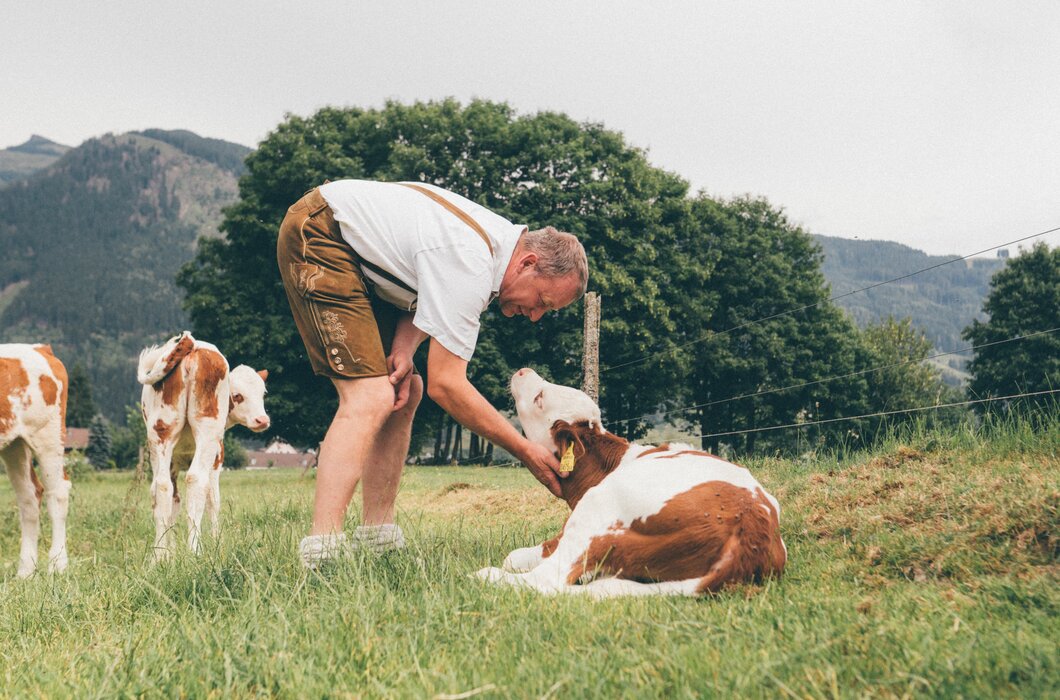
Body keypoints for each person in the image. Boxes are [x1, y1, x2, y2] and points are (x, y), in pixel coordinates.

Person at [276, 179, 588, 566]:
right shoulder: (472, 261)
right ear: (528, 264)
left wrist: (404, 348)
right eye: (541, 301)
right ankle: (322, 550)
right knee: (371, 397)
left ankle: (378, 540)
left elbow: (427, 288)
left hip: (369, 267)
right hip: (322, 233)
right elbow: (449, 385)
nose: (536, 316)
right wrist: (524, 449)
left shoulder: (492, 254)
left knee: (407, 391)